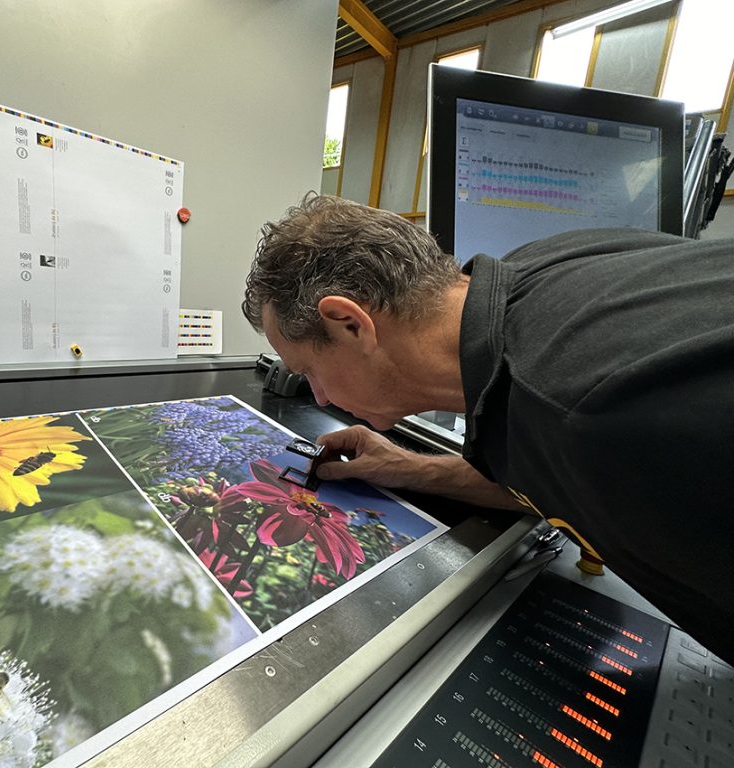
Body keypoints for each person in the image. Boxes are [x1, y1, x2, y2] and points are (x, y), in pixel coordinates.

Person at [242, 193, 734, 663]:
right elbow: (549, 474)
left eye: (309, 371)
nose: (321, 398)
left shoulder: (580, 414)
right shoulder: (541, 265)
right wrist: (412, 469)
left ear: (350, 324)